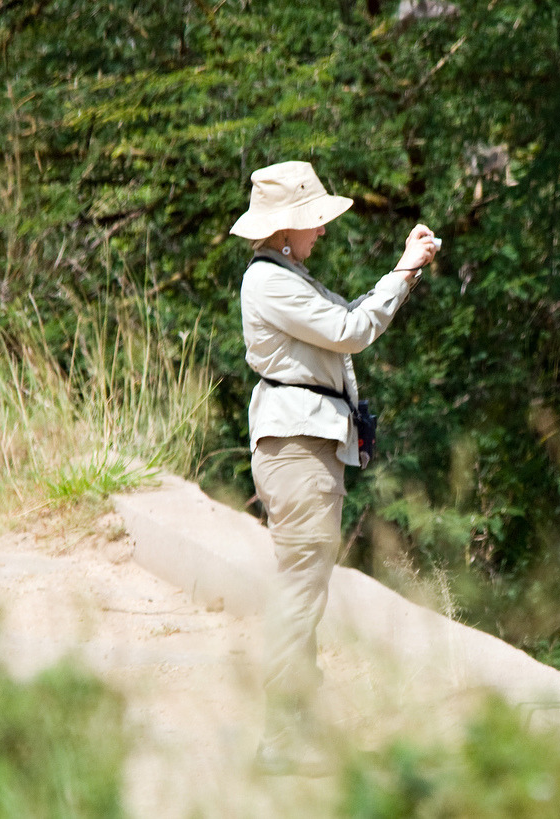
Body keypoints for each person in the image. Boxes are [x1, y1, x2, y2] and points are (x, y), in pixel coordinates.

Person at [229, 160, 438, 776]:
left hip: (305, 444)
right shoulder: (272, 282)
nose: (320, 232)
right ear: (286, 227)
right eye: (312, 221)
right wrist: (402, 271)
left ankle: (297, 728)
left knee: (304, 589)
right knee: (300, 591)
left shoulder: (284, 274)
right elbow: (351, 331)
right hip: (296, 449)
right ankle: (281, 740)